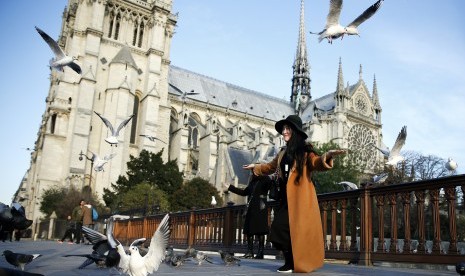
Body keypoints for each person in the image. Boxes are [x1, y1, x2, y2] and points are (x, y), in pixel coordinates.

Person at [243, 115, 345, 273]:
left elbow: (316, 162)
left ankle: (292, 263)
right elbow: (270, 166)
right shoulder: (283, 152)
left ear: (295, 131)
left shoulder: (305, 151)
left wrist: (328, 155)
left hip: (300, 200)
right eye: (283, 129)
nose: (284, 132)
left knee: (292, 231)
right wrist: (255, 166)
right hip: (285, 199)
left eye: (287, 129)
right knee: (278, 231)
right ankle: (290, 262)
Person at [223, 174, 271, 259]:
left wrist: (263, 172)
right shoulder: (252, 182)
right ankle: (250, 252)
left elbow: (269, 184)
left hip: (261, 207)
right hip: (252, 208)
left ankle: (260, 253)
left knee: (261, 231)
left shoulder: (265, 179)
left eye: (255, 170)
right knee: (249, 230)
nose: (254, 172)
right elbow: (244, 192)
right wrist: (230, 187)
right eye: (253, 171)